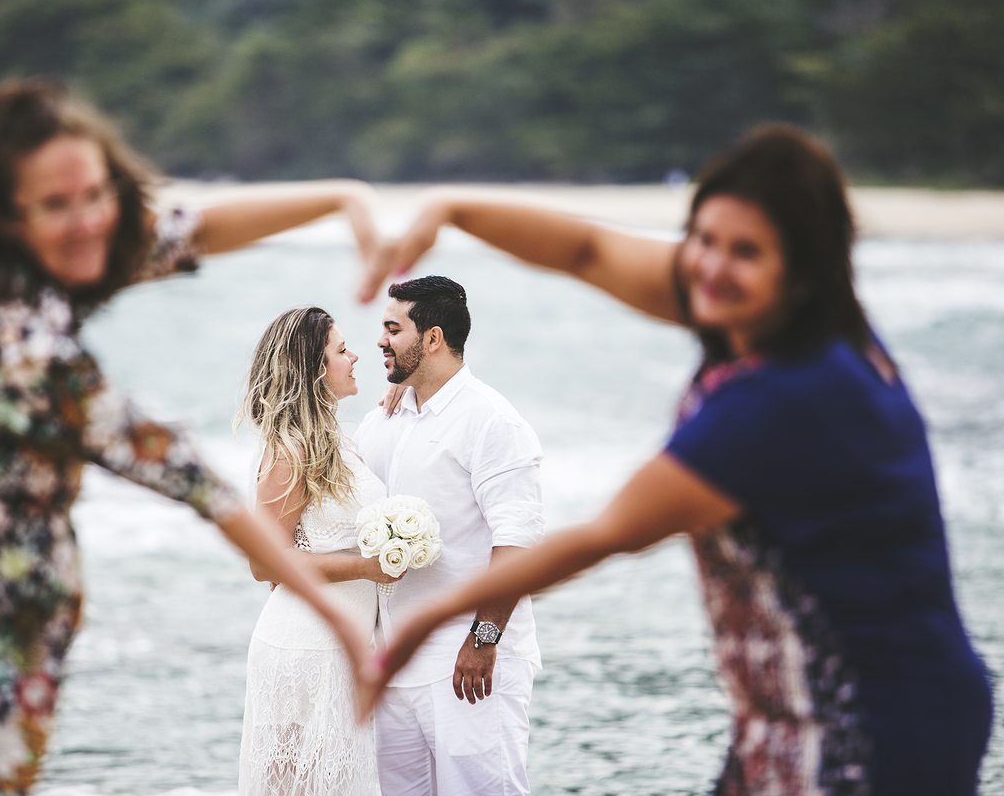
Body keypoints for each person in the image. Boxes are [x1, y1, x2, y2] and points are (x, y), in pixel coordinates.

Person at [356, 127, 993, 795]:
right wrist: (450, 211)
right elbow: (586, 248)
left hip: (878, 715)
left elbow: (605, 536)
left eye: (745, 251)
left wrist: (433, 621)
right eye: (704, 240)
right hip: (785, 703)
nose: (712, 268)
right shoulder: (752, 313)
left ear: (800, 267)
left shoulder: (786, 401)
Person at [0, 79, 379, 796]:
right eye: (55, 204)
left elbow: (190, 232)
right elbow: (200, 486)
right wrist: (338, 613)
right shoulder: (16, 350)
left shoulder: (14, 271)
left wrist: (342, 198)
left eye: (97, 195)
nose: (87, 221)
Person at [353, 275, 545, 796]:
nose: (380, 340)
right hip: (394, 658)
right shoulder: (384, 417)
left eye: (394, 329)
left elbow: (518, 542)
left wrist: (483, 641)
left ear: (432, 338)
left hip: (469, 663)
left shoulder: (491, 422)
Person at [236, 306, 400, 796]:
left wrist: (406, 389)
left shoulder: (337, 440)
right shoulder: (290, 450)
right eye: (341, 350)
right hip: (304, 648)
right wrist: (366, 568)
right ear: (314, 368)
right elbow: (264, 562)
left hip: (343, 647)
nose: (355, 357)